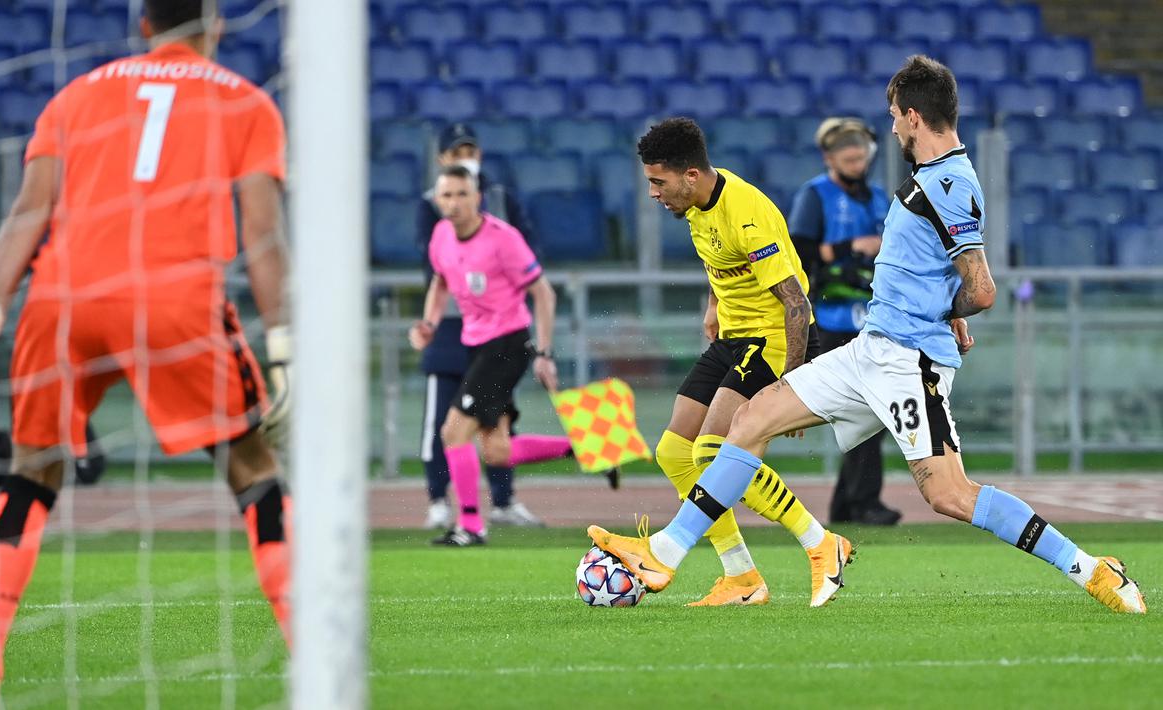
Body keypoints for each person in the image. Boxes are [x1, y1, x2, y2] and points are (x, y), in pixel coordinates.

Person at [586, 56, 1146, 615]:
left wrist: (947, 311)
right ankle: (666, 551)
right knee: (749, 420)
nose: (893, 128)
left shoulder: (949, 183)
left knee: (949, 495)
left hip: (908, 360)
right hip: (870, 349)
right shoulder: (932, 180)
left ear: (912, 115)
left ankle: (1091, 569)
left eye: (894, 117)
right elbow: (951, 271)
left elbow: (982, 287)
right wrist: (948, 305)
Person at [0, 3, 295, 706]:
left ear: (143, 26)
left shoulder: (77, 92)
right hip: (173, 299)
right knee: (253, 470)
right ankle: (311, 657)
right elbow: (262, 234)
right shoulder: (246, 102)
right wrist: (283, 344)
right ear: (214, 25)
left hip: (60, 301)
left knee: (32, 474)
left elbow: (28, 212)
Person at [633, 117, 839, 607]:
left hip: (771, 338)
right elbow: (720, 259)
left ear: (689, 176)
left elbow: (796, 303)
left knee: (712, 453)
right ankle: (741, 576)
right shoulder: (696, 204)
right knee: (674, 453)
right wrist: (713, 305)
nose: (652, 194)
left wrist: (790, 388)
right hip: (733, 334)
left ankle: (821, 542)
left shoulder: (747, 212)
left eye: (657, 183)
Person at [410, 165, 576, 547]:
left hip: (508, 344)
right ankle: (578, 447)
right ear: (438, 200)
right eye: (446, 195)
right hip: (476, 344)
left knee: (453, 432)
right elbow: (440, 280)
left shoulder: (503, 239)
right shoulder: (440, 236)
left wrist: (544, 353)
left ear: (477, 198)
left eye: (461, 194)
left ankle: (470, 526)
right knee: (496, 450)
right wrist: (430, 323)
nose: (453, 203)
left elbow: (544, 294)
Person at [415, 123, 546, 529]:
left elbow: (530, 257)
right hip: (455, 328)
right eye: (456, 153)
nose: (464, 158)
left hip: (499, 331)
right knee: (445, 420)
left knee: (488, 425)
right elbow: (434, 269)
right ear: (441, 163)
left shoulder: (501, 201)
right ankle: (439, 500)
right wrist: (431, 320)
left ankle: (496, 506)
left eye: (470, 150)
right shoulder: (431, 209)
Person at [788, 117, 900, 526]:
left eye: (861, 156)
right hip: (830, 319)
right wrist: (850, 248)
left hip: (870, 318)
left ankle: (850, 504)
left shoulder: (876, 198)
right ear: (830, 158)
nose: (856, 163)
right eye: (848, 157)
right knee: (865, 408)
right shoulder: (814, 196)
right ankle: (861, 501)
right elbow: (799, 254)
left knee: (870, 409)